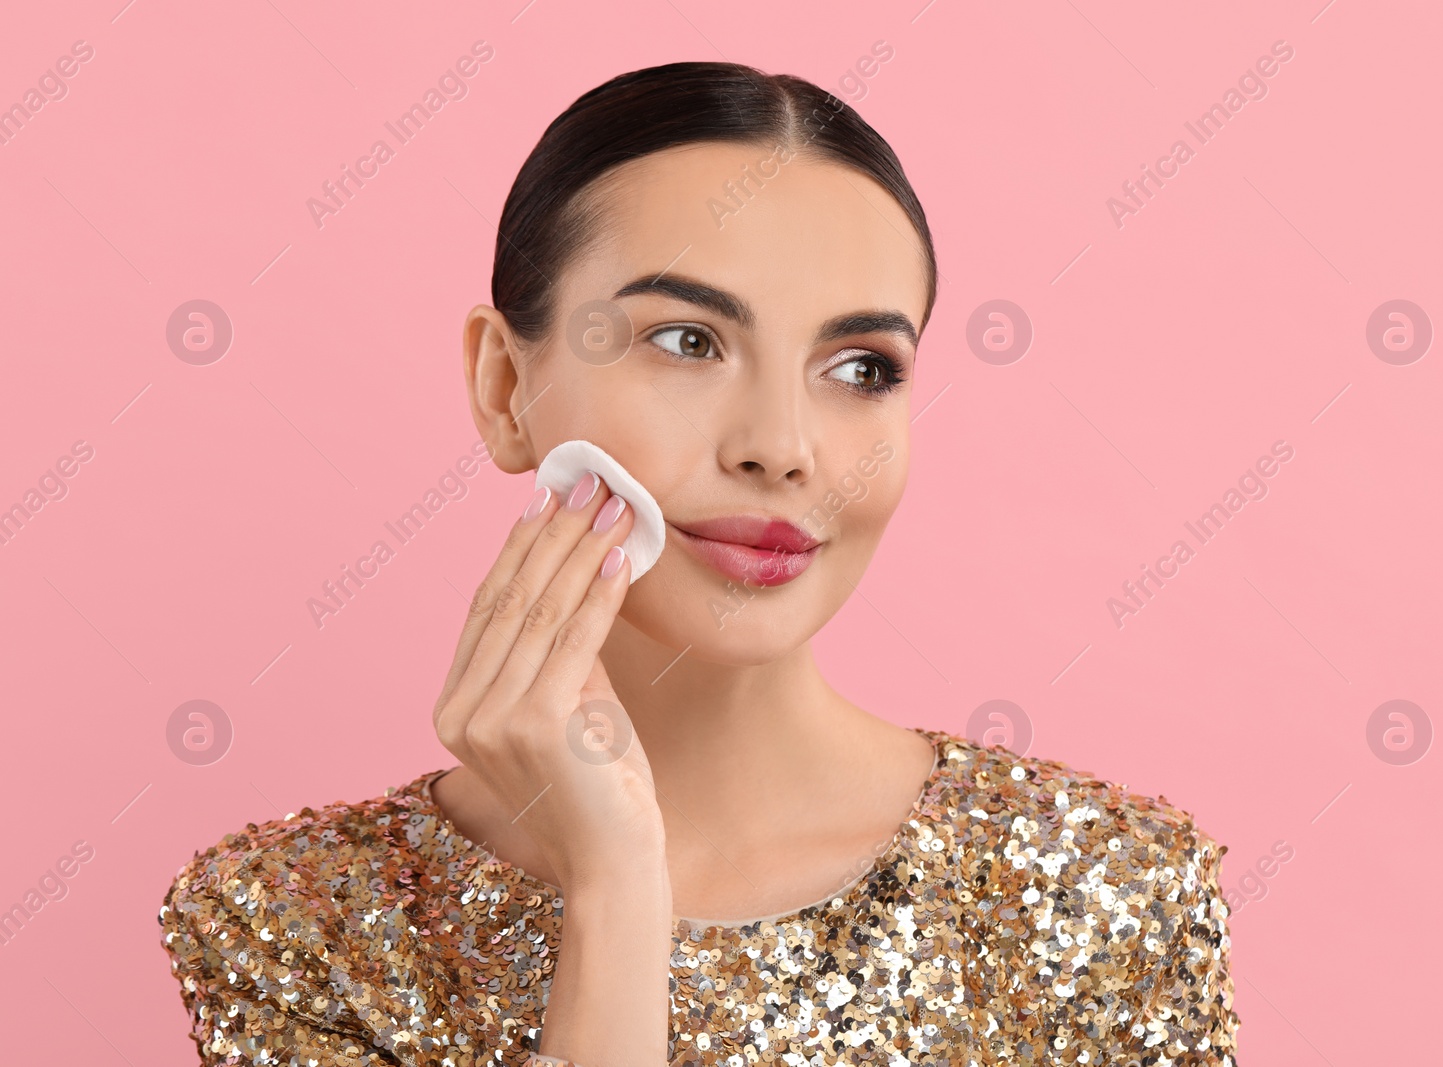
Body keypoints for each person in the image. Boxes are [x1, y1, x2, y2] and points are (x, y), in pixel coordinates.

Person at [156, 61, 1241, 1066]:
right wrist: (618, 886)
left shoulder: (1111, 893)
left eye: (861, 366)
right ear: (502, 386)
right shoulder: (299, 926)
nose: (781, 444)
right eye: (686, 340)